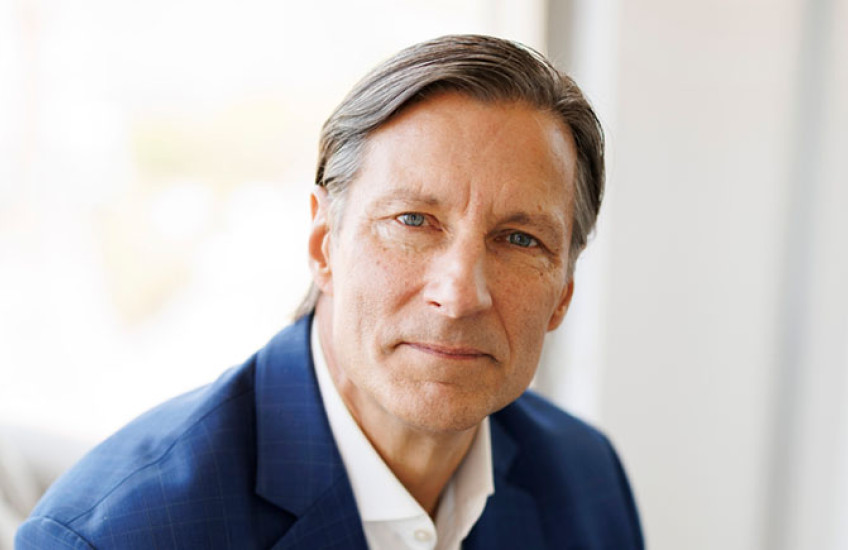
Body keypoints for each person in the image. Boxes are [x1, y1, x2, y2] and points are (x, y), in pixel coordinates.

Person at [16, 35, 643, 549]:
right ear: (323, 245)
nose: (459, 296)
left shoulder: (585, 478)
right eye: (413, 222)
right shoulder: (118, 535)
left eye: (518, 239)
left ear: (563, 290)